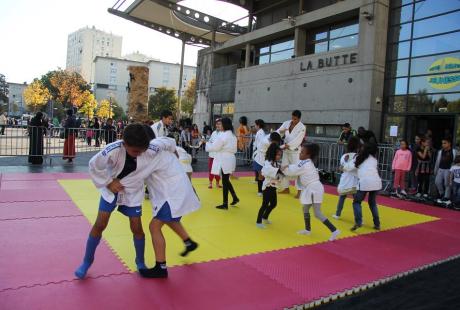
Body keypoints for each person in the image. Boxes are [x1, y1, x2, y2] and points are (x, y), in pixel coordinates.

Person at [74, 124, 177, 279]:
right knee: (100, 224)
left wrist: (174, 153)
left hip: (133, 192)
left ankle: (140, 262)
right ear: (124, 143)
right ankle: (87, 261)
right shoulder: (113, 149)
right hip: (111, 189)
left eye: (142, 151)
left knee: (137, 228)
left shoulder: (150, 148)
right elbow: (93, 166)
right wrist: (109, 182)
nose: (139, 154)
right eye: (135, 151)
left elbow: (169, 142)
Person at [140, 140, 201, 279]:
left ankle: (160, 267)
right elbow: (171, 142)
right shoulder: (161, 144)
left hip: (172, 193)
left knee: (154, 227)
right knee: (170, 219)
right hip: (177, 188)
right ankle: (189, 242)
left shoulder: (149, 154)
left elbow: (137, 176)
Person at [282, 143, 340, 241]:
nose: (300, 154)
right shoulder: (306, 162)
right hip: (311, 188)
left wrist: (284, 168)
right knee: (305, 209)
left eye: (302, 152)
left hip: (314, 188)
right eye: (300, 152)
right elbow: (295, 167)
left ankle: (334, 230)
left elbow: (294, 170)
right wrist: (287, 167)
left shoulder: (305, 163)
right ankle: (307, 230)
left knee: (317, 213)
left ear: (308, 155)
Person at [205, 117, 239, 210]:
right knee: (226, 179)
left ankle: (225, 203)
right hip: (230, 158)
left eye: (221, 124)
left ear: (225, 125)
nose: (219, 126)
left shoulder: (223, 135)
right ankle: (234, 197)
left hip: (225, 159)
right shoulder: (231, 134)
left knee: (225, 180)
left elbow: (215, 147)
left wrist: (206, 143)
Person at [351, 143, 382, 231]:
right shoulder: (374, 159)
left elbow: (353, 168)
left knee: (356, 202)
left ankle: (358, 222)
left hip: (365, 182)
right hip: (376, 182)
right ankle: (377, 224)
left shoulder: (359, 158)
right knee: (372, 203)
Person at [277, 110, 306, 197]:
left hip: (295, 151)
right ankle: (286, 188)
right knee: (284, 169)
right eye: (292, 118)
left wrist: (287, 145)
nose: (293, 120)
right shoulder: (286, 123)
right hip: (286, 151)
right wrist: (280, 132)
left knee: (297, 171)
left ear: (299, 119)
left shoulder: (302, 127)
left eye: (295, 119)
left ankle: (299, 191)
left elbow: (298, 140)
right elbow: (279, 132)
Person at [256, 144, 284, 228]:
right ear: (272, 154)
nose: (279, 157)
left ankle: (265, 217)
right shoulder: (268, 162)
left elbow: (277, 173)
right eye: (278, 154)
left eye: (280, 155)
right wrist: (279, 170)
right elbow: (267, 171)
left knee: (273, 204)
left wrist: (280, 171)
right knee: (264, 204)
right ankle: (258, 221)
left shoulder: (275, 163)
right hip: (267, 187)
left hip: (273, 187)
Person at [333, 136, 360, 219]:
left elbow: (341, 167)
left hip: (345, 179)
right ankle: (358, 219)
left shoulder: (344, 156)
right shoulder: (358, 156)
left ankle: (338, 214)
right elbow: (358, 167)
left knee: (342, 197)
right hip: (354, 180)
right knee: (356, 201)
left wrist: (344, 168)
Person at [435, 138, 457, 204]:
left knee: (447, 184)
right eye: (442, 143)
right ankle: (441, 193)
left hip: (449, 169)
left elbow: (456, 161)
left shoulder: (454, 151)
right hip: (441, 169)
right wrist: (436, 170)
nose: (443, 145)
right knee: (437, 182)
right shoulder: (440, 151)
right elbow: (437, 161)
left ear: (449, 143)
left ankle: (446, 196)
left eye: (445, 143)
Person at [252, 119, 267, 195]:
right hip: (258, 153)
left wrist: (256, 149)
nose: (254, 126)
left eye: (255, 125)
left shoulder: (261, 133)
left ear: (258, 125)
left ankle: (260, 190)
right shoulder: (259, 132)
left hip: (261, 154)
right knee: (258, 170)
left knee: (261, 172)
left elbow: (261, 144)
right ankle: (260, 188)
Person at [207, 119, 222, 189]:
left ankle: (217, 183)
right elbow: (210, 141)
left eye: (219, 124)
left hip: (219, 155)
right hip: (212, 154)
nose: (218, 125)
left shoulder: (223, 133)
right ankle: (210, 183)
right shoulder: (213, 133)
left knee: (218, 169)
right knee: (211, 169)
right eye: (217, 124)